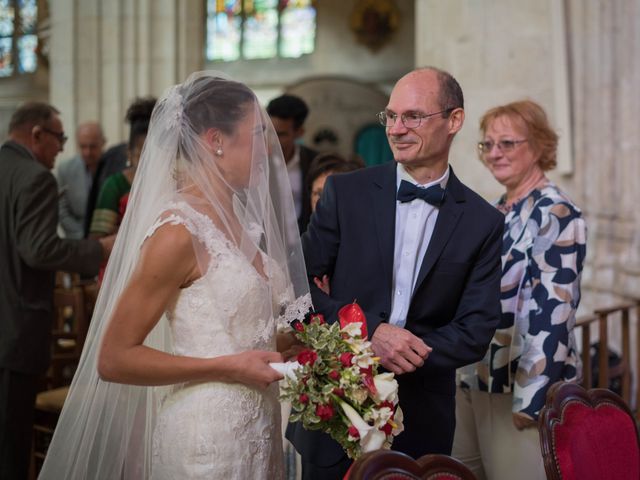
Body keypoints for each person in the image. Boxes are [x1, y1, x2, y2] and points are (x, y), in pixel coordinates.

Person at [39, 72, 312, 479]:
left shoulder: (239, 221)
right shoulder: (178, 231)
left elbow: (232, 332)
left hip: (258, 429)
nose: (269, 148)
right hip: (205, 441)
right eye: (257, 133)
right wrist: (228, 367)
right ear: (216, 140)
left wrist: (283, 343)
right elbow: (114, 358)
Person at [287, 66, 504, 479]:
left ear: (454, 120)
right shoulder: (345, 193)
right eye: (391, 116)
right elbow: (294, 289)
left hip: (420, 421)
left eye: (413, 117)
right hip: (333, 408)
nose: (397, 129)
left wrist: (406, 351)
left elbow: (476, 329)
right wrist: (369, 333)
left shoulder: (482, 222)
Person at [452, 100, 586, 480]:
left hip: (519, 387)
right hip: (476, 376)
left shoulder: (556, 213)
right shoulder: (499, 209)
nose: (495, 153)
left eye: (507, 143)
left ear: (539, 146)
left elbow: (554, 312)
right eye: (487, 144)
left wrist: (531, 400)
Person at [0, 102, 113, 479]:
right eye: (59, 138)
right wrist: (100, 248)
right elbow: (39, 249)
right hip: (15, 328)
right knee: (12, 443)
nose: (61, 148)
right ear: (36, 134)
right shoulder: (35, 177)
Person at [84, 97, 157, 237]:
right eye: (141, 155)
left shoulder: (171, 181)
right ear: (129, 154)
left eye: (154, 154)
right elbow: (98, 238)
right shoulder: (115, 185)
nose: (148, 162)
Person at [267, 94, 318, 232]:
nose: (273, 140)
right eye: (269, 132)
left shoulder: (315, 161)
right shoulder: (256, 163)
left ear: (299, 132)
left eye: (281, 134)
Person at [56, 121, 106, 238]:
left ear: (103, 143)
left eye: (92, 146)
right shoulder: (65, 170)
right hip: (77, 241)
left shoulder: (115, 168)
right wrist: (84, 238)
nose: (87, 152)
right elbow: (61, 211)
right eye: (83, 146)